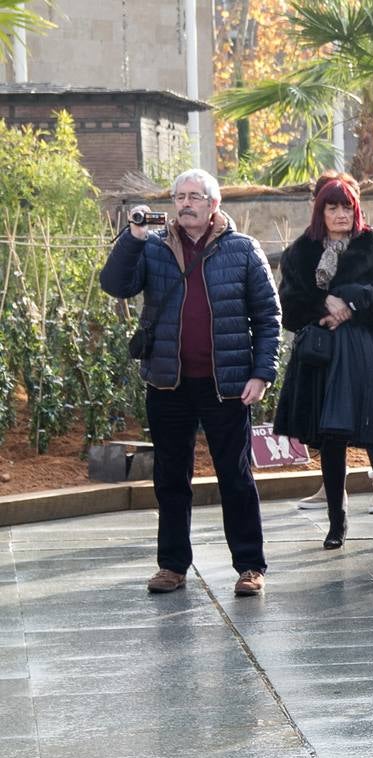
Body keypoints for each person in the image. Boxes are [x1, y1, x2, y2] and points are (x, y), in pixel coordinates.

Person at [99, 169, 279, 597]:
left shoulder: (243, 249)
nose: (185, 203)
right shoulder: (154, 247)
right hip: (168, 382)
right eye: (179, 196)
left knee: (235, 477)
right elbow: (114, 284)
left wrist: (262, 372)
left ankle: (250, 567)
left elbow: (268, 317)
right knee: (170, 478)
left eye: (195, 196)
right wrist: (132, 238)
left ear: (214, 204)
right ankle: (172, 566)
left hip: (226, 383)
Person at [274, 174, 373, 550]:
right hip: (322, 357)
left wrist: (349, 306)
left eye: (346, 207)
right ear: (320, 211)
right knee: (331, 439)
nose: (340, 214)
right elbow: (290, 309)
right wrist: (324, 306)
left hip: (370, 353)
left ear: (357, 209)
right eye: (331, 207)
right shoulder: (301, 252)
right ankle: (337, 523)